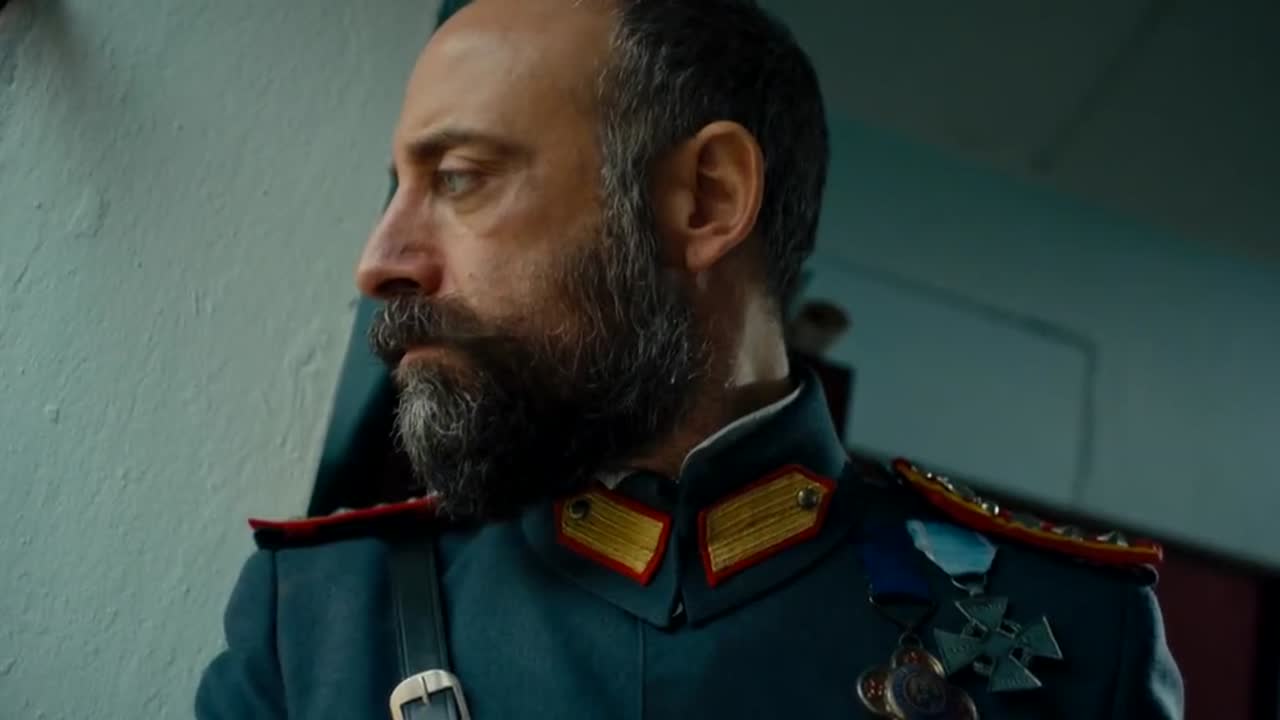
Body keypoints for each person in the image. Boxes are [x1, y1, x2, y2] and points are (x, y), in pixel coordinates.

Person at [196, 0, 1184, 718]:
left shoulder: (1076, 635)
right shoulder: (313, 625)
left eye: (459, 179)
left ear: (706, 199)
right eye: (397, 190)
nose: (378, 262)